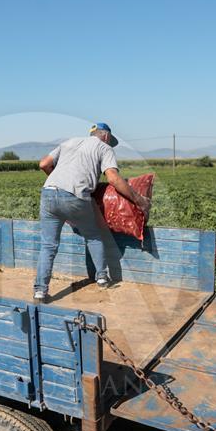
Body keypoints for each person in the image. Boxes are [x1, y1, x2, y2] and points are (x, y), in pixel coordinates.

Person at [33, 122, 150, 302]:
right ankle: (102, 277)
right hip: (75, 196)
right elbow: (113, 178)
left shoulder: (70, 141)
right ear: (106, 136)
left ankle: (40, 291)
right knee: (94, 236)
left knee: (48, 245)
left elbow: (43, 164)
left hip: (48, 193)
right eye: (110, 141)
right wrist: (139, 201)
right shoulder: (104, 148)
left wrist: (58, 181)